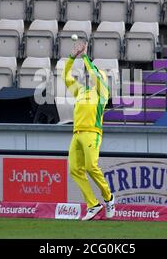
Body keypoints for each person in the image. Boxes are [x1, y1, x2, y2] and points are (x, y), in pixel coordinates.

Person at [64, 40, 115, 221]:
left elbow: (94, 73)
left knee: (91, 166)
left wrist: (85, 55)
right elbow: (66, 77)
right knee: (74, 169)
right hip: (76, 134)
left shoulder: (103, 92)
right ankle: (93, 204)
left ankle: (108, 197)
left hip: (92, 133)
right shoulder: (82, 92)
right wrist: (72, 57)